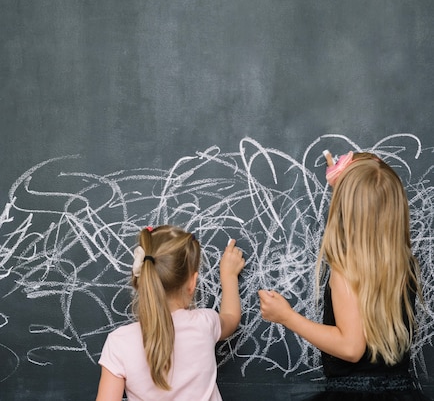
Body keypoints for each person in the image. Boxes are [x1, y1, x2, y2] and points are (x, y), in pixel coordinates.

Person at [258, 151, 430, 400]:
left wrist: (287, 317)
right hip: (400, 391)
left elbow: (351, 348)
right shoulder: (403, 265)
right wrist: (345, 184)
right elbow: (369, 205)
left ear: (344, 209)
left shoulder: (346, 269)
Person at [95, 224, 245, 401]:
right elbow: (231, 318)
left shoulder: (119, 343)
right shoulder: (204, 323)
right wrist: (229, 276)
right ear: (192, 283)